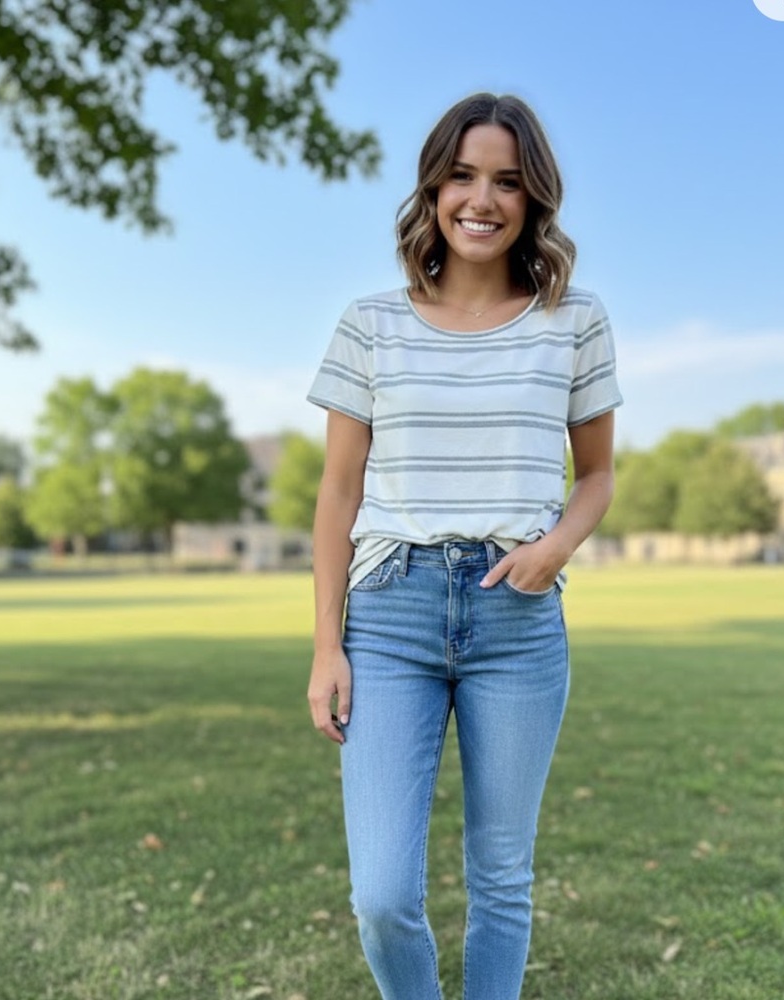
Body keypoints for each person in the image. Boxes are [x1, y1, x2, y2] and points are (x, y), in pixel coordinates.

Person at [306, 92, 623, 1000]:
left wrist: (556, 545)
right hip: (390, 612)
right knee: (382, 895)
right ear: (435, 189)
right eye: (463, 175)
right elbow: (338, 493)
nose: (482, 199)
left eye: (508, 182)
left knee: (500, 882)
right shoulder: (371, 324)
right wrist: (327, 645)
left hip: (516, 619)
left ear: (534, 201)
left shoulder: (575, 320)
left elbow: (596, 475)